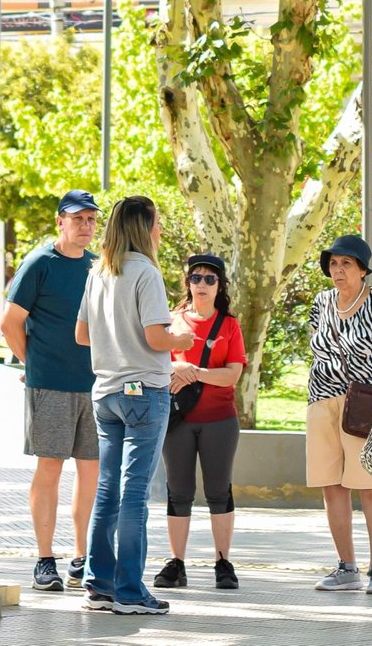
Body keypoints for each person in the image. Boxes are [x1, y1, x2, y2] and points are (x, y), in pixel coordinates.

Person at [75, 195, 195, 615]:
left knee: (107, 489)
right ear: (144, 229)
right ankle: (130, 592)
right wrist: (181, 338)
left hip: (106, 392)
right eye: (156, 223)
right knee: (135, 493)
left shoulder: (98, 271)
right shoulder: (146, 272)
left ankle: (99, 585)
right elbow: (156, 338)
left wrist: (116, 340)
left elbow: (82, 335)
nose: (159, 230)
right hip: (144, 391)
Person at [0, 189, 101, 594]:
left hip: (96, 385)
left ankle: (82, 559)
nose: (85, 226)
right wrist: (34, 365)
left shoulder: (98, 266)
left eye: (91, 219)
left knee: (91, 471)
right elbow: (9, 322)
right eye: (77, 219)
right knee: (50, 468)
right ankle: (44, 560)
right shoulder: (40, 263)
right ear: (60, 221)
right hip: (51, 386)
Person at [306, 233, 372, 595]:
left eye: (346, 263)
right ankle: (346, 567)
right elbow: (317, 346)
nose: (338, 270)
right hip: (321, 399)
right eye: (333, 263)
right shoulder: (322, 301)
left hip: (365, 401)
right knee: (331, 484)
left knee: (371, 485)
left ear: (363, 269)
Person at [155, 253, 248, 592]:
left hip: (219, 420)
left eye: (210, 278)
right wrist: (177, 369)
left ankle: (223, 562)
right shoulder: (172, 320)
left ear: (220, 285)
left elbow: (232, 375)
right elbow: (155, 362)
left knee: (218, 491)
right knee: (178, 491)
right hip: (178, 419)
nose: (203, 284)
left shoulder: (229, 325)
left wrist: (193, 372)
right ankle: (176, 563)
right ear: (188, 283)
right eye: (196, 278)